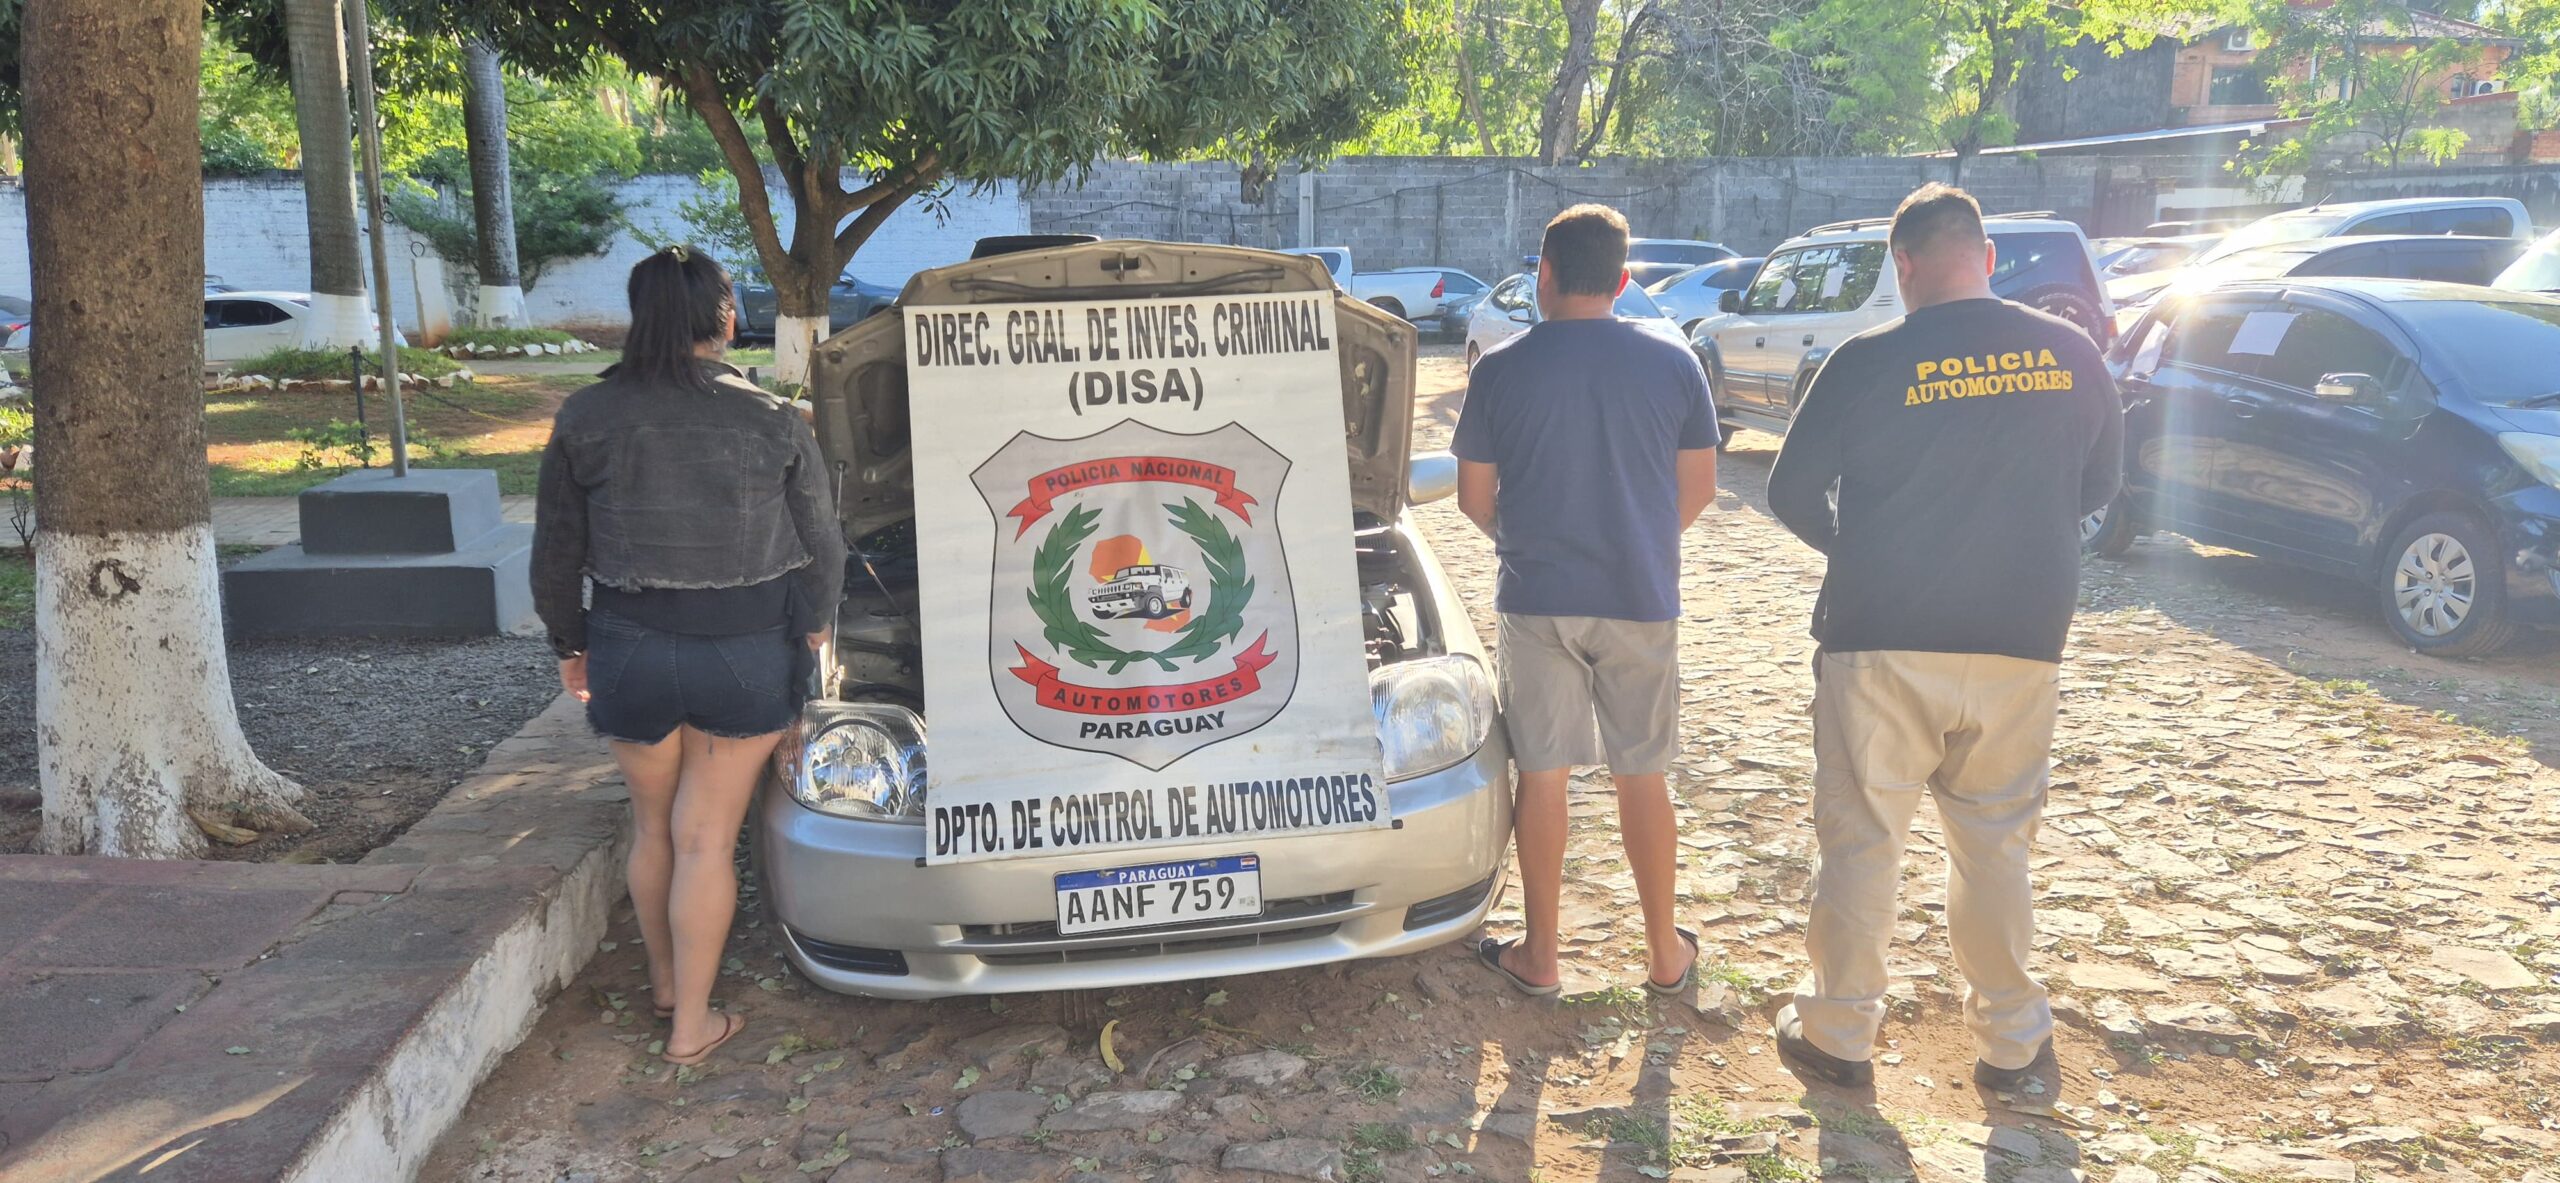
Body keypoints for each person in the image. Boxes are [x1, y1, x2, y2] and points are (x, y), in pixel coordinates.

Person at [1763, 184, 2122, 1090]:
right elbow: (2097, 487)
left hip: (1883, 635)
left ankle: (1840, 1030)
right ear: (1990, 257)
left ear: (1904, 265)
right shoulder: (2072, 353)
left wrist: (1865, 552)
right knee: (1996, 842)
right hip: (2020, 637)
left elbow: (1789, 492)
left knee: (1864, 839)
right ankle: (2013, 1041)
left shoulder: (1865, 359)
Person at [531, 245, 846, 1066]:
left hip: (629, 646)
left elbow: (556, 551)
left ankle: (667, 985)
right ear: (726, 318)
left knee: (653, 830)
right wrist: (814, 626)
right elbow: (825, 546)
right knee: (706, 837)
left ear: (641, 317)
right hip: (743, 653)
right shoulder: (771, 416)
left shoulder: (585, 417)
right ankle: (690, 1024)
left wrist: (572, 644)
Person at [1454, 204, 1722, 996]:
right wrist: (1635, 536)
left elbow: (1474, 498)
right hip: (1641, 593)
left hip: (1537, 597)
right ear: (1623, 279)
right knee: (1644, 775)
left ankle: (1541, 956)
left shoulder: (1498, 368)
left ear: (1543, 274)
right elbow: (1700, 488)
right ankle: (1665, 954)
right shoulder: (1675, 362)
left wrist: (1530, 537)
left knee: (1543, 777)